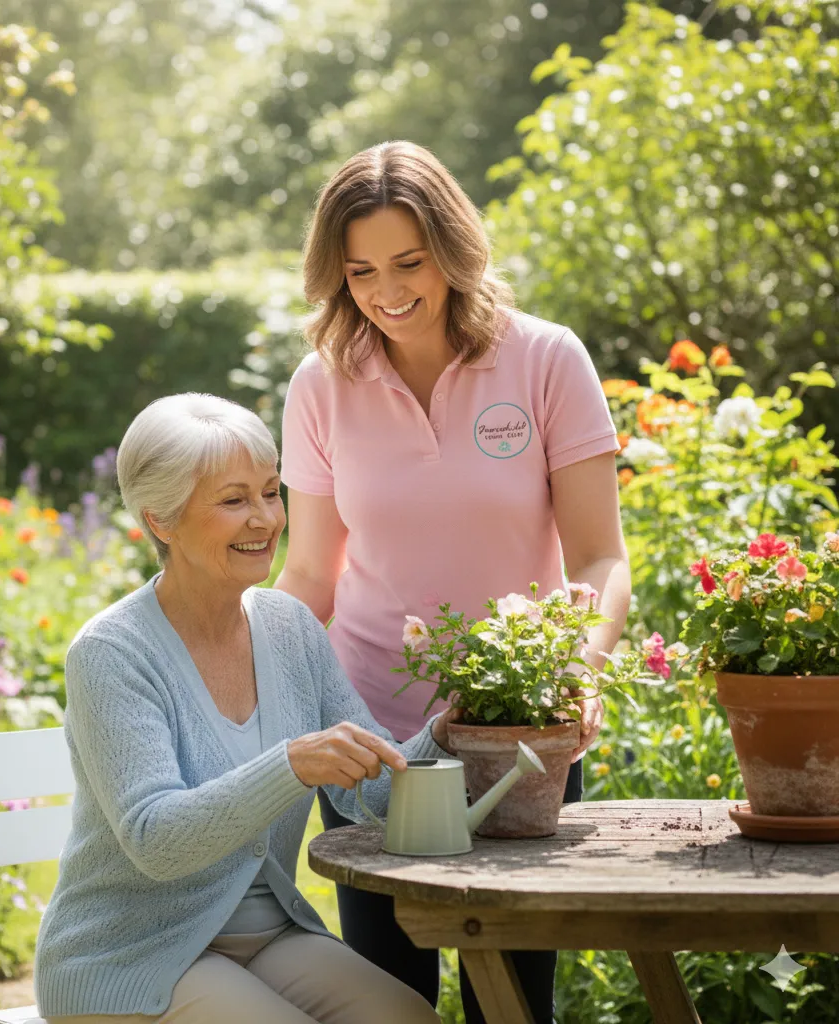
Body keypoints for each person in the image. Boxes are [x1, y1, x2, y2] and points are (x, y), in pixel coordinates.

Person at [274, 140, 631, 1024]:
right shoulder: (321, 387)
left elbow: (598, 557)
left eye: (410, 261)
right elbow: (313, 571)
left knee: (510, 1000)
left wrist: (574, 676)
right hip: (372, 743)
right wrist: (239, 683)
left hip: (518, 734)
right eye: (360, 271)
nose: (388, 291)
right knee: (388, 999)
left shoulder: (546, 360)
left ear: (455, 249)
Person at [33, 392, 455, 1024]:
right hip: (132, 954)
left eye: (269, 491)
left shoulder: (289, 627)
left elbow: (370, 797)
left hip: (270, 937)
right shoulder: (111, 653)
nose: (265, 519)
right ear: (161, 520)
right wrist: (292, 765)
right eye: (233, 501)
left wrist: (458, 726)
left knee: (411, 1018)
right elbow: (155, 841)